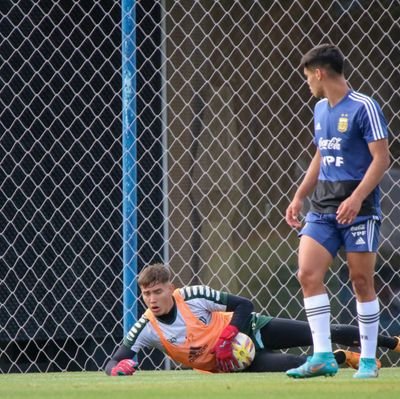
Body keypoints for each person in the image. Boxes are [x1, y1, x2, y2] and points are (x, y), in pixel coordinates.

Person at [285, 44, 390, 379]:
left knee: (361, 281)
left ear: (319, 72)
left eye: (307, 78)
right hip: (324, 206)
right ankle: (322, 356)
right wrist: (300, 195)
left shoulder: (365, 107)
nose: (307, 85)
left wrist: (358, 198)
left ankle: (370, 361)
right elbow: (321, 153)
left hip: (358, 207)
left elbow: (381, 159)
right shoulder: (319, 109)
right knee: (307, 274)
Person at [105, 263, 399, 376]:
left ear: (171, 288)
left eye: (157, 291)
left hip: (252, 329)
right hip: (237, 364)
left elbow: (244, 304)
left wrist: (227, 336)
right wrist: (118, 368)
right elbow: (115, 360)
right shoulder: (146, 326)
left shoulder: (192, 296)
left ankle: (392, 342)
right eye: (146, 294)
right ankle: (342, 357)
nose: (152, 299)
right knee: (298, 366)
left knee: (319, 331)